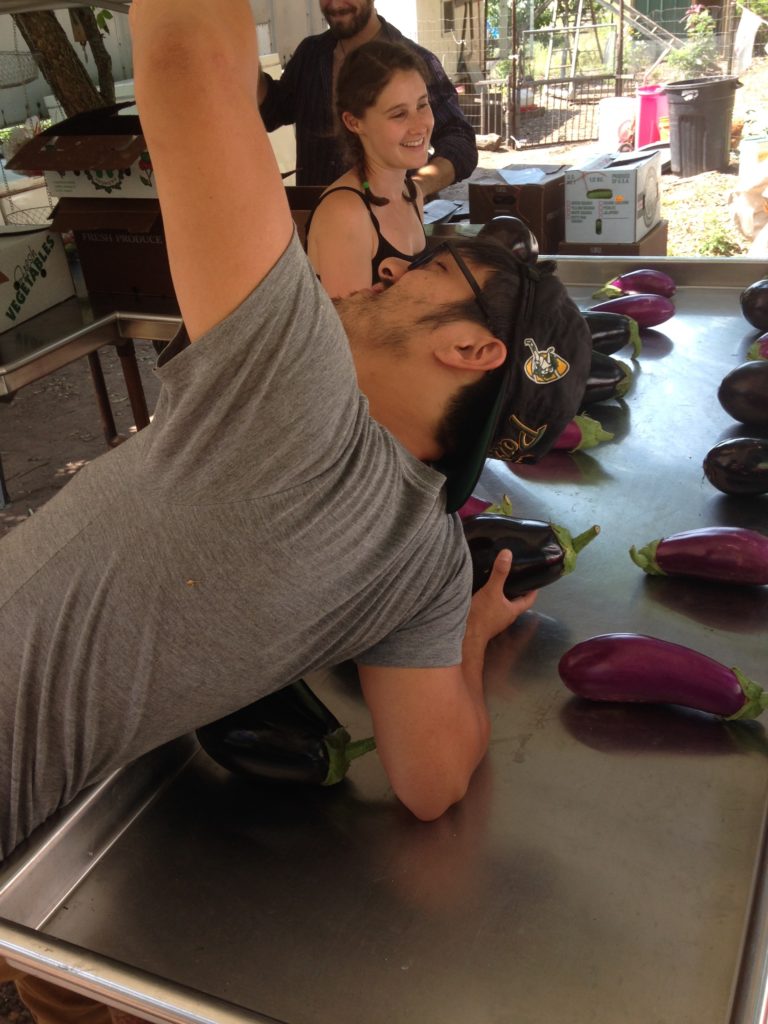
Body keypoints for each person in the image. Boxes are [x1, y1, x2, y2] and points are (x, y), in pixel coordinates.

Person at [258, 0, 478, 195]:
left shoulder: (413, 62)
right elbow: (273, 110)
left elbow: (460, 141)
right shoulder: (310, 55)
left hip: (391, 229)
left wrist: (414, 189)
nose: (334, 4)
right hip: (314, 222)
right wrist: (243, 57)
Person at [305, 40, 431, 297]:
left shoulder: (412, 193)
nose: (420, 125)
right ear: (354, 123)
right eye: (398, 114)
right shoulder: (346, 213)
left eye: (422, 105)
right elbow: (354, 335)